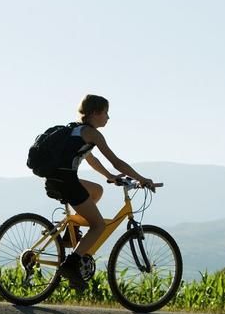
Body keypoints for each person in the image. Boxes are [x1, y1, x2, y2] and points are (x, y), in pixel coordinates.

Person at [47, 94, 154, 291]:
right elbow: (117, 161)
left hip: (57, 179)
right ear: (95, 113)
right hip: (68, 182)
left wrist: (110, 176)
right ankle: (71, 266)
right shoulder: (92, 134)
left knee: (97, 190)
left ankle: (72, 234)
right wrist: (142, 178)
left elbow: (91, 159)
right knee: (98, 226)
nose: (108, 117)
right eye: (105, 112)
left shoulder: (76, 130)